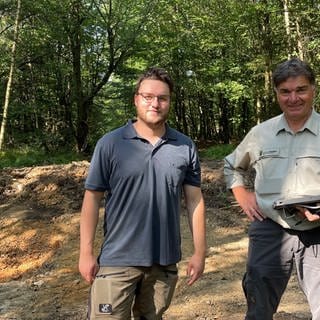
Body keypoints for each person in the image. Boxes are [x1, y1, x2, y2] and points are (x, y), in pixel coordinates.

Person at [79, 67, 206, 320]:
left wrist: (200, 252)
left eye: (162, 98)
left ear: (169, 101)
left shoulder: (184, 146)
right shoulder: (110, 144)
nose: (155, 103)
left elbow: (194, 200)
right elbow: (92, 198)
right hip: (117, 260)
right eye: (148, 96)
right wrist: (86, 253)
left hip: (164, 262)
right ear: (136, 99)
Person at [224, 57, 320, 320]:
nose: (293, 98)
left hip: (318, 233)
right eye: (285, 92)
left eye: (301, 90)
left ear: (313, 89)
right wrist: (242, 194)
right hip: (270, 229)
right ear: (276, 93)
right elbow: (233, 166)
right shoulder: (260, 133)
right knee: (259, 308)